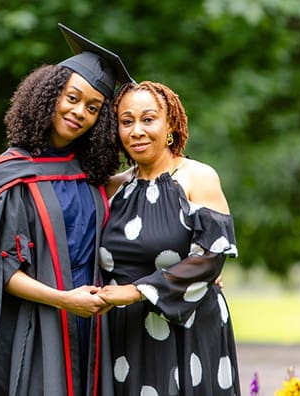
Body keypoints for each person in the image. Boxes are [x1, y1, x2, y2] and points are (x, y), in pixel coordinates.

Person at [0, 24, 133, 396]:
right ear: (49, 95)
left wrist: (190, 269)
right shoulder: (9, 177)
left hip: (92, 328)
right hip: (35, 329)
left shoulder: (89, 176)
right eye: (72, 98)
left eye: (93, 107)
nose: (79, 112)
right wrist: (65, 300)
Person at [97, 81, 241, 395]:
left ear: (170, 125)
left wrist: (136, 291)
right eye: (126, 121)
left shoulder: (196, 177)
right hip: (126, 334)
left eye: (148, 119)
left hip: (186, 327)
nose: (136, 131)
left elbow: (210, 258)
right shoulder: (112, 188)